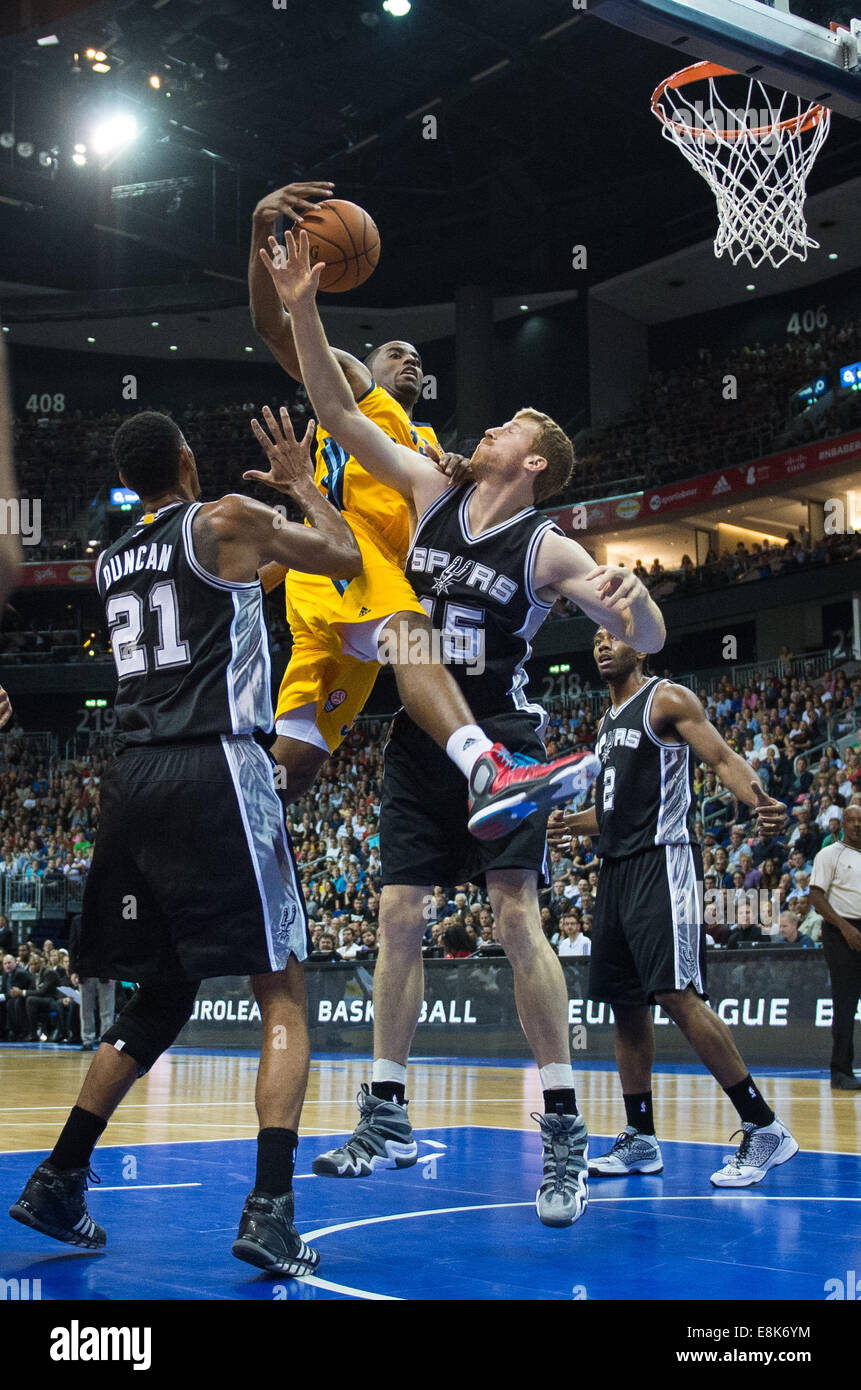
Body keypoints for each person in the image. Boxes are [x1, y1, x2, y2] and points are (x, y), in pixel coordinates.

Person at [272, 229, 666, 1228]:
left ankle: (566, 1131)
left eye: (503, 426)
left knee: (510, 915)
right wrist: (302, 305)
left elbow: (646, 630)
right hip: (421, 728)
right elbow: (334, 409)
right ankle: (388, 1112)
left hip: (503, 717)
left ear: (531, 459)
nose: (479, 427)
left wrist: (639, 604)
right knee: (396, 917)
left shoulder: (548, 545)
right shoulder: (431, 488)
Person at [10, 405, 361, 1276]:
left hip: (131, 783)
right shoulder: (227, 520)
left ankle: (60, 1176)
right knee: (281, 987)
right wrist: (306, 488)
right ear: (189, 461)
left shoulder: (111, 559)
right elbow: (347, 557)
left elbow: (234, 589)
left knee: (159, 998)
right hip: (217, 768)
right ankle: (271, 1209)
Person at [249, 183, 589, 837]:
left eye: (417, 358)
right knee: (410, 633)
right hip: (347, 567)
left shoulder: (429, 447)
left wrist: (462, 473)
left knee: (295, 764)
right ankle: (487, 769)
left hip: (353, 593)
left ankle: (221, 832)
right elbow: (271, 328)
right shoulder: (355, 389)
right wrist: (262, 236)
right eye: (395, 352)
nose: (408, 359)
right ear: (367, 363)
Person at [549, 628, 797, 1188]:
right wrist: (567, 826)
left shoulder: (667, 699)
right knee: (626, 1006)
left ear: (643, 648)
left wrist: (758, 798)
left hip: (664, 864)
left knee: (677, 994)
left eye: (616, 636)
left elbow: (723, 757)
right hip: (616, 869)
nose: (602, 644)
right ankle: (641, 1137)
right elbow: (606, 813)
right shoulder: (607, 726)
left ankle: (764, 1126)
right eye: (595, 638)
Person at [809, 804, 861, 1091]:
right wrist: (845, 927)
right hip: (841, 930)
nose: (856, 825)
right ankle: (840, 1071)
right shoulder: (830, 854)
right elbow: (816, 897)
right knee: (845, 1002)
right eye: (851, 820)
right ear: (843, 824)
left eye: (860, 820)